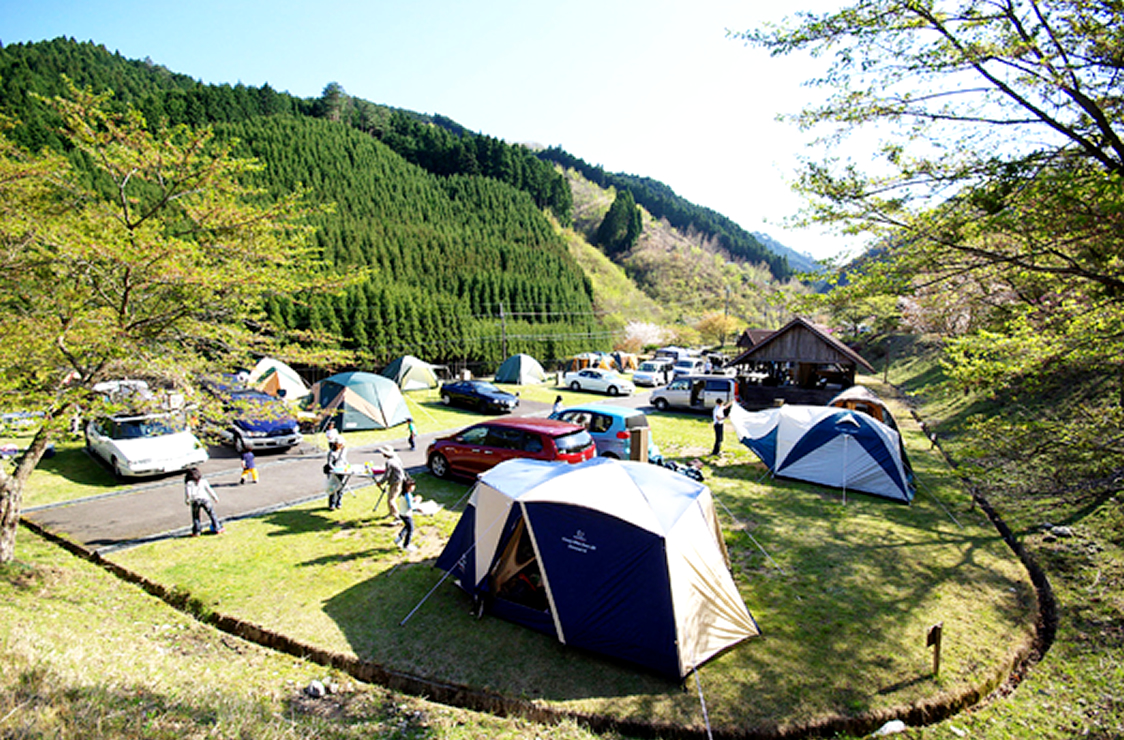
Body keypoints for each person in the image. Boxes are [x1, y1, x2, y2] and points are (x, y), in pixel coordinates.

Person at [184, 467, 223, 536]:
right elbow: (209, 489)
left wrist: (188, 500)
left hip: (195, 500)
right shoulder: (203, 481)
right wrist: (215, 497)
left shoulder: (189, 483)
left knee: (196, 517)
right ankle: (218, 528)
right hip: (205, 499)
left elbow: (188, 493)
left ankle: (197, 531)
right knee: (212, 514)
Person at [376, 444, 405, 518]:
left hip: (396, 482)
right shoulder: (396, 458)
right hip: (397, 480)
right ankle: (391, 512)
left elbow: (386, 475)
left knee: (391, 500)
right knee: (389, 498)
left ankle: (397, 517)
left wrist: (380, 482)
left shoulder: (389, 462)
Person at [393, 475, 419, 552]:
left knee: (407, 527)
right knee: (411, 529)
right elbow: (411, 506)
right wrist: (417, 502)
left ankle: (399, 538)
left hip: (402, 513)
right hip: (406, 515)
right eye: (413, 486)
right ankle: (406, 545)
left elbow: (409, 501)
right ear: (408, 487)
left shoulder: (404, 494)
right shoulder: (408, 496)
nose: (414, 487)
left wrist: (414, 499)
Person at [325, 439, 348, 510]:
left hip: (342, 471)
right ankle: (332, 504)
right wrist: (334, 469)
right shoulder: (331, 453)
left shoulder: (342, 452)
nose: (342, 445)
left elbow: (344, 460)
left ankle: (338, 502)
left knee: (341, 487)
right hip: (334, 472)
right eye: (340, 444)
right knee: (333, 488)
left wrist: (347, 465)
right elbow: (329, 463)